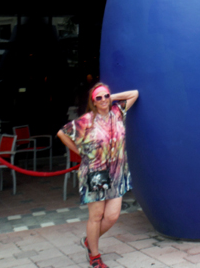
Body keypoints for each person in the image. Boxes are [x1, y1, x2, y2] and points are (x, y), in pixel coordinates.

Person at [57, 83, 139, 268]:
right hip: (96, 172)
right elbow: (62, 133)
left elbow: (134, 94)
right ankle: (95, 255)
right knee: (96, 216)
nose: (103, 100)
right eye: (98, 98)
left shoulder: (118, 112)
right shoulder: (87, 120)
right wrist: (80, 151)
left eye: (105, 96)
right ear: (93, 102)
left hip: (117, 172)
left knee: (112, 216)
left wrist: (110, 95)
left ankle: (89, 240)